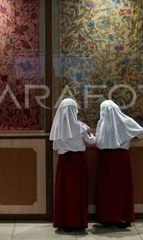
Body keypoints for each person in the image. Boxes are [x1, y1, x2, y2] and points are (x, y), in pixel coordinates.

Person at [95, 100, 143, 228]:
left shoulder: (102, 123)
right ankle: (123, 217)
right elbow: (140, 133)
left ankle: (107, 218)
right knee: (122, 187)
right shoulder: (125, 120)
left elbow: (98, 143)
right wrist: (127, 138)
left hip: (106, 159)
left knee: (106, 190)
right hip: (121, 158)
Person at [50, 98, 96, 232]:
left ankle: (64, 222)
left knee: (65, 191)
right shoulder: (80, 126)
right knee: (78, 191)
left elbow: (56, 148)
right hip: (78, 162)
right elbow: (92, 141)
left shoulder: (57, 127)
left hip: (64, 162)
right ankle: (78, 222)